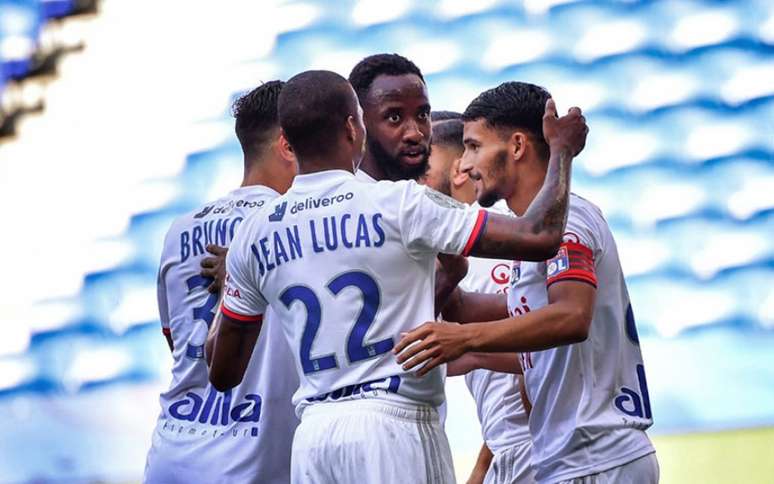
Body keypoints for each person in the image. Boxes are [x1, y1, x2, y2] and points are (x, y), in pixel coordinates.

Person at [208, 70, 587, 483]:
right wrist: (561, 150)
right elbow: (541, 236)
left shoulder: (255, 232)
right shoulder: (399, 203)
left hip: (313, 437)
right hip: (393, 424)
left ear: (288, 141)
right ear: (354, 128)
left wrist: (235, 287)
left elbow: (223, 373)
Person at [395, 82, 659, 484]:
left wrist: (465, 341)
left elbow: (572, 316)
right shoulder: (530, 241)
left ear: (517, 146)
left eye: (474, 147)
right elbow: (469, 310)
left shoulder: (569, 222)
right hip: (570, 458)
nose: (465, 165)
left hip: (596, 458)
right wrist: (446, 266)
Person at [144, 81, 300, 484]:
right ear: (288, 144)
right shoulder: (295, 226)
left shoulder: (180, 230)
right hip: (250, 457)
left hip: (172, 451)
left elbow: (175, 341)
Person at [422, 114, 534, 484]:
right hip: (510, 449)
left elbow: (543, 351)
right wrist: (483, 468)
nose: (412, 184)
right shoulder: (452, 251)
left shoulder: (501, 242)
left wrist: (468, 351)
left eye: (423, 168)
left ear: (457, 171)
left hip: (538, 449)